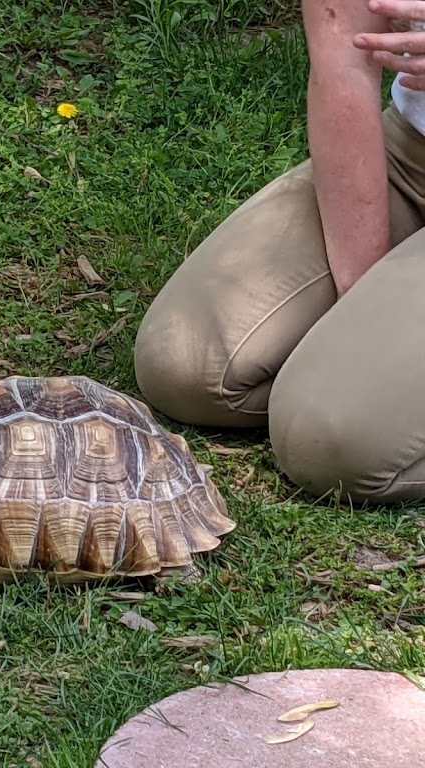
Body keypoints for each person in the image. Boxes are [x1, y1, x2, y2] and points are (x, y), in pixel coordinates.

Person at [132, 0, 425, 504]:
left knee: (333, 443)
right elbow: (342, 64)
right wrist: (358, 300)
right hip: (412, 153)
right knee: (185, 365)